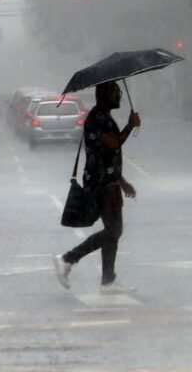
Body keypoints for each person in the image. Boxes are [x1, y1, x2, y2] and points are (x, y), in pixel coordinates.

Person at [53, 81, 141, 294]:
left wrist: (122, 181)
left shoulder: (104, 117)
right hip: (101, 185)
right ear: (104, 95)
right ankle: (67, 259)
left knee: (114, 231)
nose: (119, 96)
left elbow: (108, 156)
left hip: (109, 182)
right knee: (114, 230)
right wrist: (130, 126)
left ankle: (108, 281)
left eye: (119, 92)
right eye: (115, 92)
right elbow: (113, 143)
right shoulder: (96, 119)